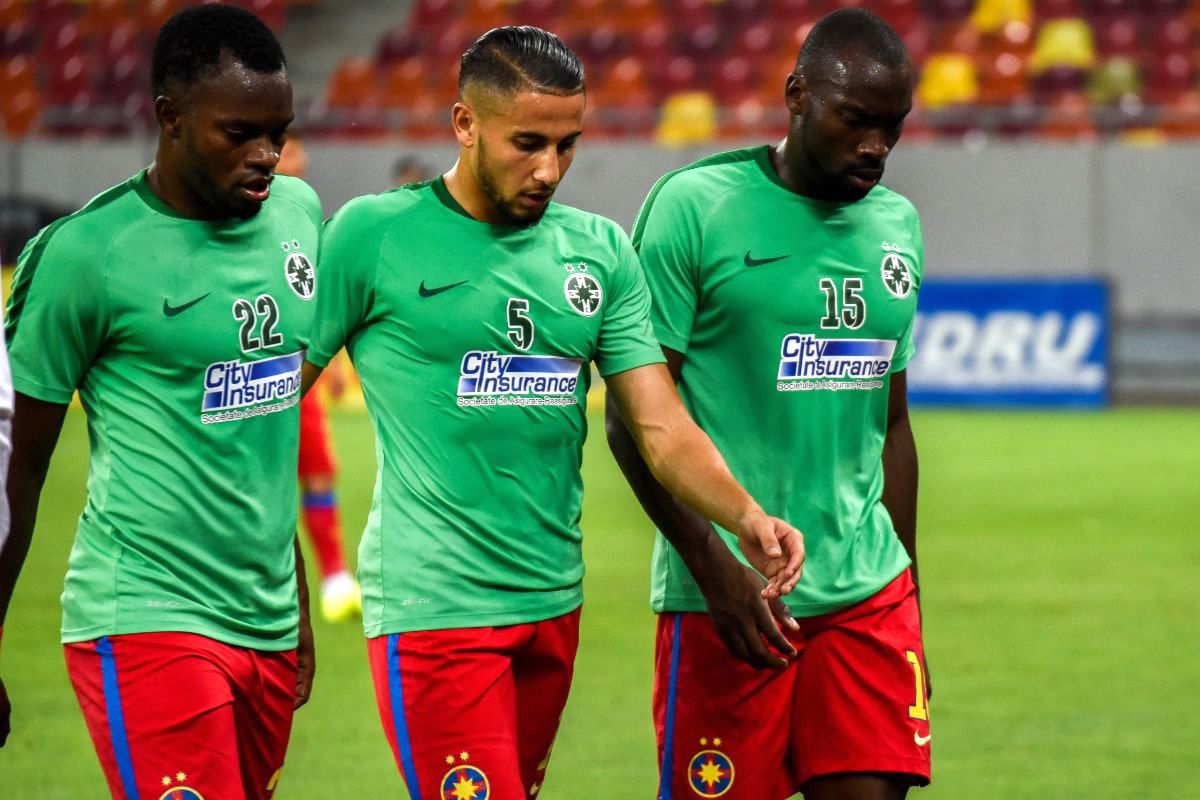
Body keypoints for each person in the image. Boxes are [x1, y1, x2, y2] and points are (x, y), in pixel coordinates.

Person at [303, 26, 804, 800]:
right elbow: (272, 405)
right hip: (433, 606)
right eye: (527, 143)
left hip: (552, 602)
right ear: (465, 123)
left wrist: (744, 515)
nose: (549, 169)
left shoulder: (598, 251)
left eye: (567, 145)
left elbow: (660, 425)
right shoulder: (371, 236)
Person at [606, 8, 931, 799]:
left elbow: (891, 424)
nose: (876, 146)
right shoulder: (694, 208)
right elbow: (631, 421)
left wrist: (911, 598)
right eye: (856, 120)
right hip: (729, 596)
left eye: (892, 127)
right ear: (797, 95)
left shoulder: (897, 226)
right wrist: (713, 570)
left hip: (869, 600)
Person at [0, 7, 319, 798]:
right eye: (240, 132)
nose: (266, 155)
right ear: (170, 117)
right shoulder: (84, 255)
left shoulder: (299, 216)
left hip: (267, 621)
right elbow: (18, 468)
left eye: (278, 133)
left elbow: (263, 438)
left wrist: (298, 598)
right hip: (144, 614)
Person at [275, 134, 363, 623]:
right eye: (291, 151)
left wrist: (332, 363)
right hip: (241, 378)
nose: (302, 160)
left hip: (294, 373)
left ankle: (333, 576)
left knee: (318, 470)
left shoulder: (306, 220)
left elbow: (320, 299)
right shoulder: (231, 218)